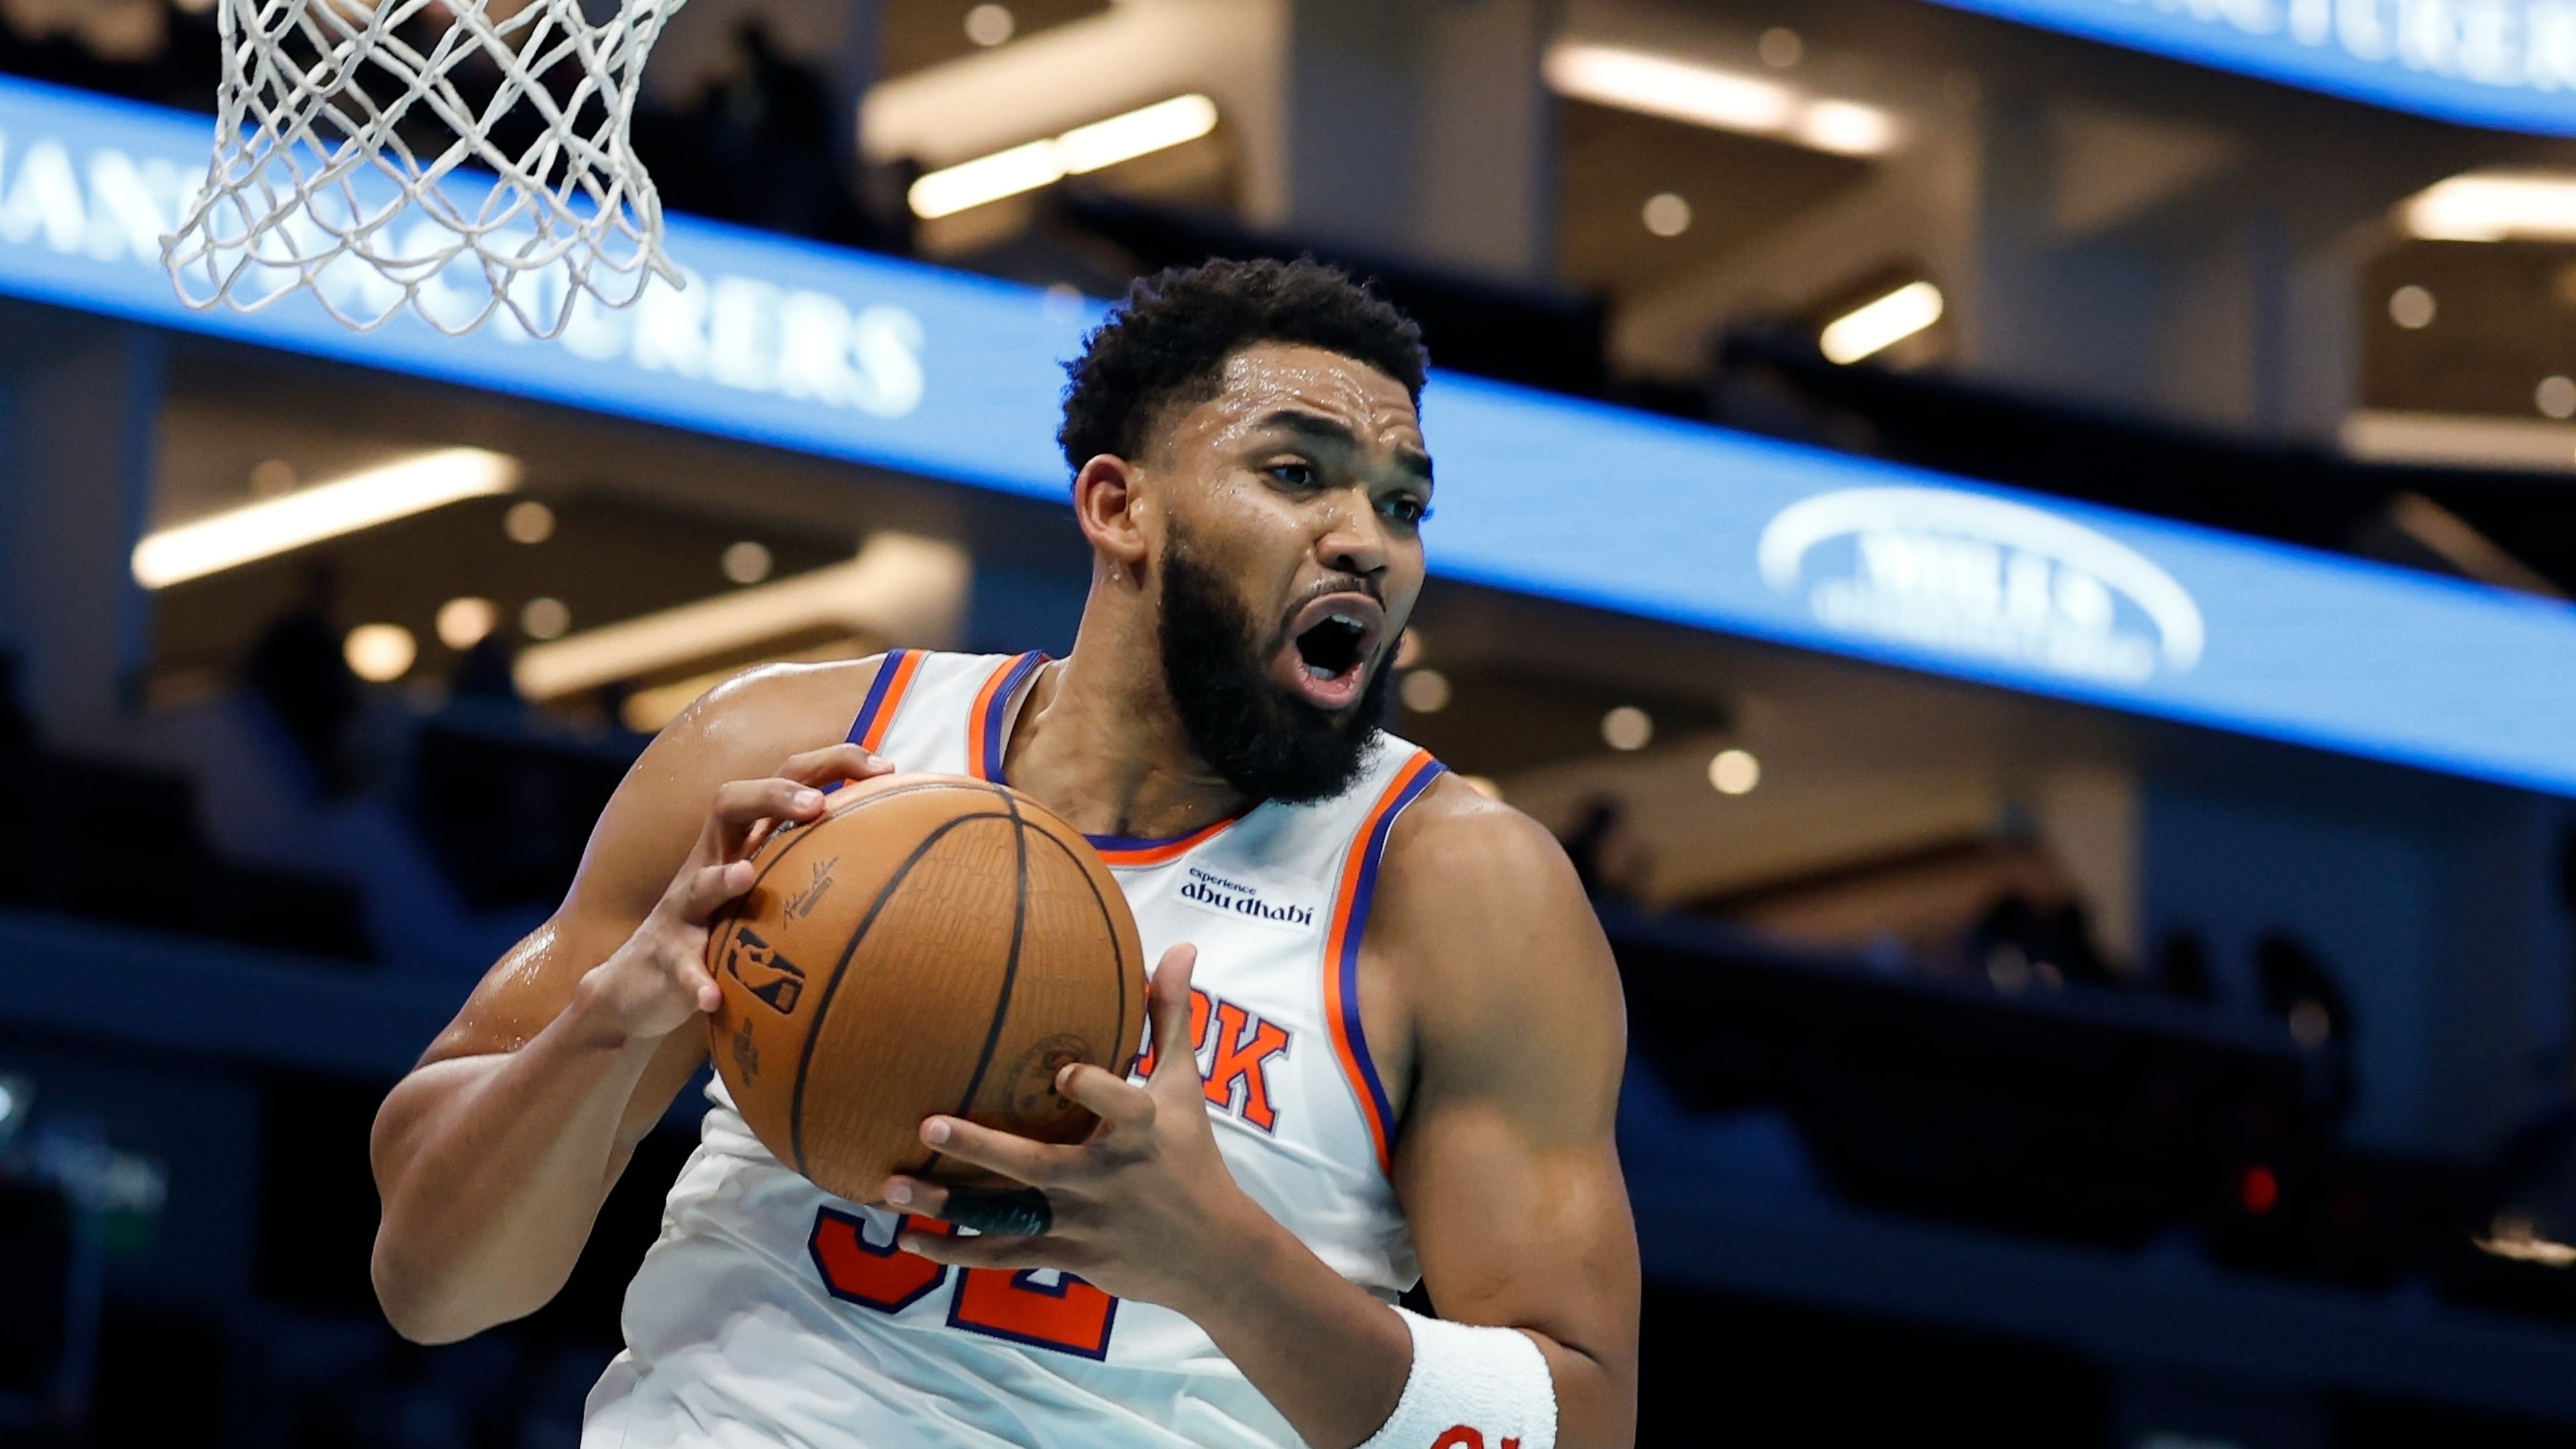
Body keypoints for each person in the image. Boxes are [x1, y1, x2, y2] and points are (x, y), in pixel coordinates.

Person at [368, 259, 1640, 1449]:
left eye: (1403, 503)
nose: (1367, 538)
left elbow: (1582, 1421)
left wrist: (1219, 1262)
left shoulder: (1463, 890)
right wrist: (613, 1017)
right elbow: (429, 1285)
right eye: (1298, 473)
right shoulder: (793, 757)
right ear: (1119, 506)